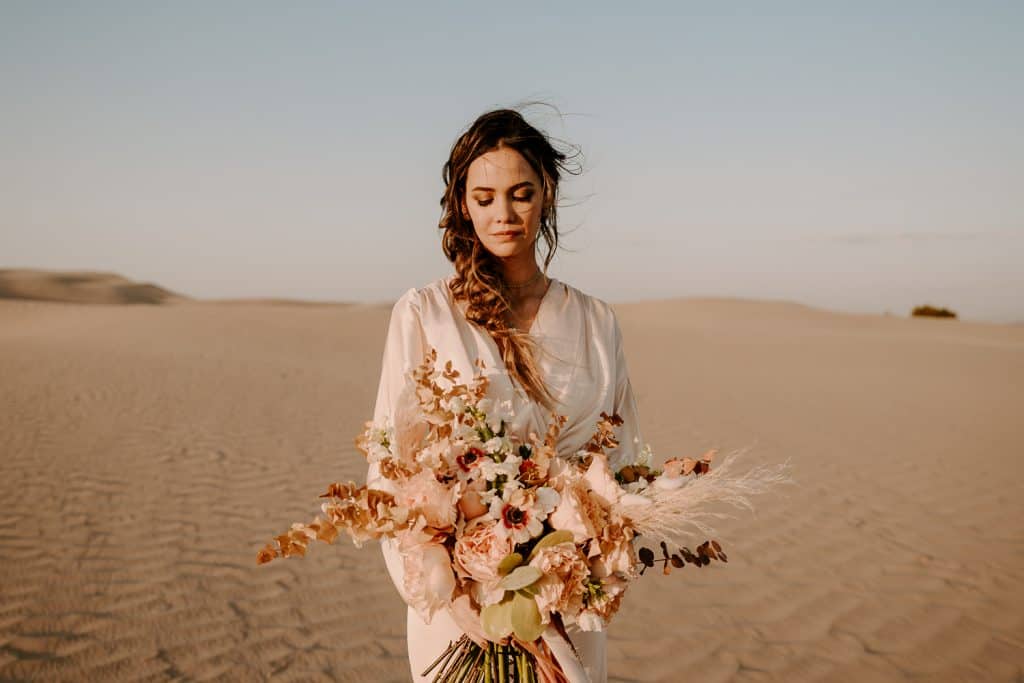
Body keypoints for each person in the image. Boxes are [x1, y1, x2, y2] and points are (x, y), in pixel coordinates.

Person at [367, 108, 643, 683]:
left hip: (568, 604)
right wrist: (456, 598)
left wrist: (585, 568)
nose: (504, 214)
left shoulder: (596, 321)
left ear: (547, 194)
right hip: (457, 614)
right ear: (462, 203)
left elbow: (620, 462)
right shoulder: (424, 314)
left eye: (521, 194)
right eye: (485, 196)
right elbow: (391, 470)